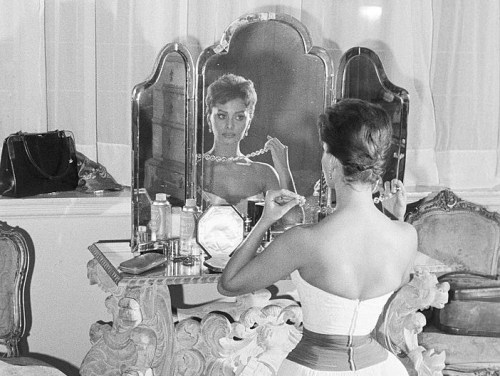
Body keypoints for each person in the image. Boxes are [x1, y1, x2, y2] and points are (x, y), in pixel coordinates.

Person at [218, 98, 418, 375]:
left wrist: (265, 221)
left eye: (325, 150)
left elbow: (229, 284)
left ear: (333, 162)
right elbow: (398, 282)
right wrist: (394, 217)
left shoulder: (304, 241)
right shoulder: (406, 235)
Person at [201, 73, 298, 218]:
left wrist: (284, 169)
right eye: (222, 115)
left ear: (249, 122)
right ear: (209, 118)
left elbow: (293, 221)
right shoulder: (195, 170)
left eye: (239, 117)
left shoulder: (264, 173)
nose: (229, 125)